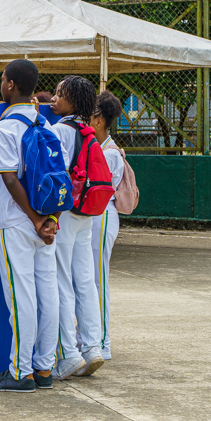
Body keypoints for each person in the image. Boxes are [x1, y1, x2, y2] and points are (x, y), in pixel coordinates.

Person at [0, 61, 59, 393]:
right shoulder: (49, 126)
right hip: (46, 224)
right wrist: (50, 220)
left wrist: (34, 218)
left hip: (16, 221)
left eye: (2, 80)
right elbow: (59, 181)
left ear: (11, 85)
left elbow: (10, 179)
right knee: (48, 293)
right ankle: (44, 367)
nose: (1, 85)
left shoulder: (5, 128)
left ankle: (19, 371)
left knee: (21, 297)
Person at [49, 76, 104, 380]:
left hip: (66, 212)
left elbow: (58, 173)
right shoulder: (88, 130)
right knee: (85, 280)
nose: (54, 99)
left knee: (61, 280)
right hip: (88, 212)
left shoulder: (60, 131)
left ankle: (69, 354)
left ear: (73, 101)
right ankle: (92, 347)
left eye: (60, 94)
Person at [90, 91, 124, 362]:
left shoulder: (109, 154)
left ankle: (103, 342)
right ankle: (93, 339)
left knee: (98, 280)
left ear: (99, 120)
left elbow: (101, 191)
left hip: (102, 215)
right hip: (96, 215)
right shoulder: (100, 148)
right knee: (90, 278)